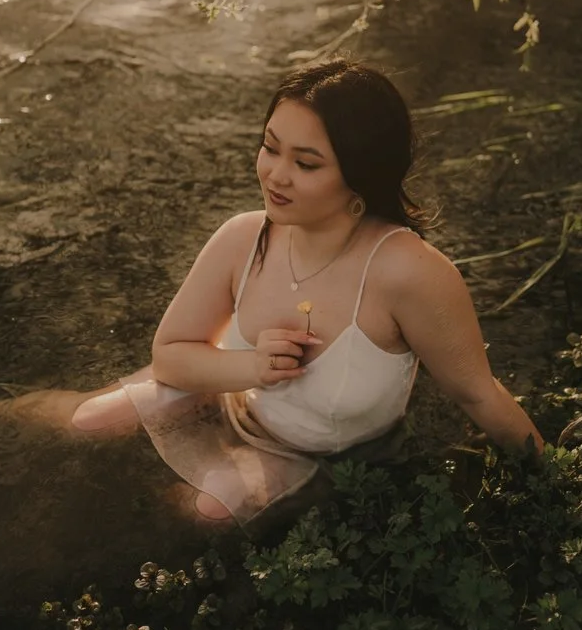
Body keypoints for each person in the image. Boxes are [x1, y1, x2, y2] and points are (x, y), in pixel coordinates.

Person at [48, 58, 546, 524]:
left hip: (315, 454)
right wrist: (253, 367)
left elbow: (478, 394)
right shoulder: (244, 236)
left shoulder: (409, 272)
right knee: (87, 420)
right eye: (270, 147)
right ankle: (1, 417)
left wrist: (557, 478)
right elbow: (170, 357)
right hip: (229, 396)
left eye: (306, 164)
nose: (275, 174)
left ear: (361, 175)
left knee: (210, 510)